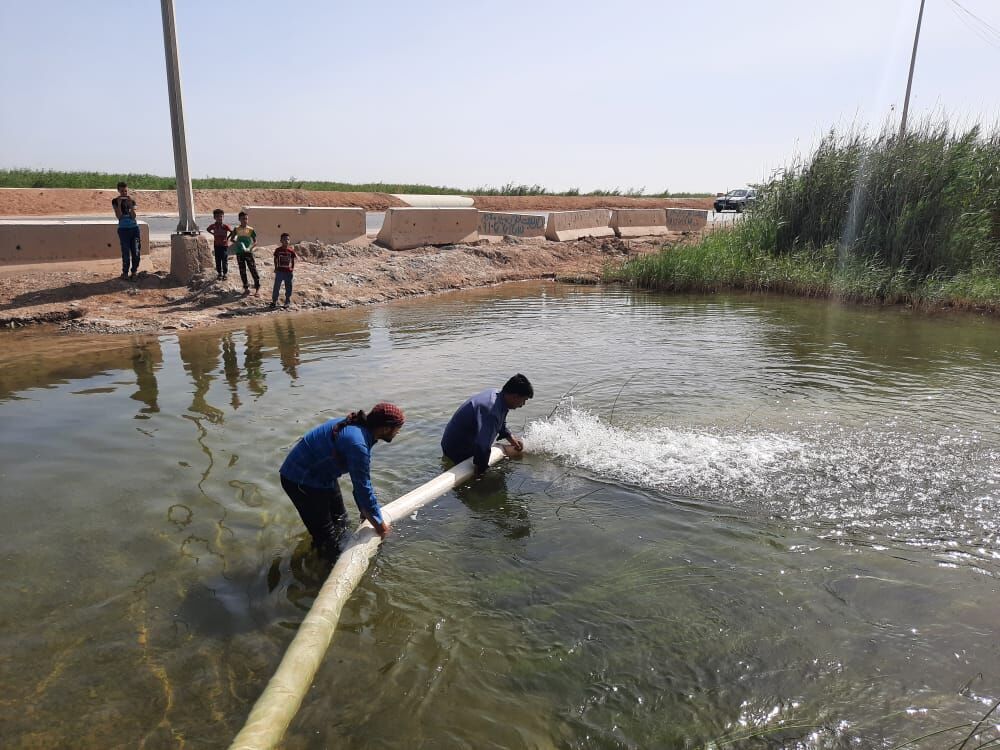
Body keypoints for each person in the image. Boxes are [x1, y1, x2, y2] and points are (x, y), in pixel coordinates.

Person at [279, 403, 405, 559]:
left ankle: (330, 553)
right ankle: (322, 570)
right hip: (300, 480)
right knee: (326, 538)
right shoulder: (357, 443)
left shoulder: (361, 430)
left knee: (341, 520)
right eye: (398, 429)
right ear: (386, 428)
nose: (398, 433)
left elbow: (360, 486)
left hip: (324, 475)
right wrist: (382, 528)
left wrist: (365, 513)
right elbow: (363, 488)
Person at [441, 374, 533, 475]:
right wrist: (480, 475)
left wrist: (510, 437)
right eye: (524, 400)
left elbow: (500, 422)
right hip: (457, 449)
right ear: (515, 396)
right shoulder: (491, 410)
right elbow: (482, 446)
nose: (523, 404)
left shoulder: (496, 395)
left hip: (454, 441)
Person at [111, 181, 141, 280]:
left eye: (126, 191)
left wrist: (131, 206)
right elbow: (119, 217)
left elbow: (133, 216)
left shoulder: (131, 201)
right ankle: (125, 273)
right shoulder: (115, 201)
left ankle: (134, 272)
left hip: (134, 228)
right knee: (125, 252)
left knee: (136, 251)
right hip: (123, 230)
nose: (124, 193)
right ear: (118, 191)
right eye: (122, 191)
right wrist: (119, 205)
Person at [228, 211, 260, 295]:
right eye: (243, 219)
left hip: (248, 252)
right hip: (239, 252)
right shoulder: (236, 229)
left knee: (253, 270)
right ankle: (246, 288)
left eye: (246, 219)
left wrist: (250, 247)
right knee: (242, 270)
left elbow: (255, 241)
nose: (245, 220)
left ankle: (257, 288)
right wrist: (238, 243)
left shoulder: (250, 229)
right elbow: (232, 239)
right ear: (239, 219)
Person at [270, 232, 297, 308]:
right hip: (279, 272)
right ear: (281, 241)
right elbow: (275, 259)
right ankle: (274, 301)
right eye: (284, 239)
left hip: (288, 272)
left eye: (288, 239)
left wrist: (292, 268)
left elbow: (293, 261)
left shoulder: (291, 251)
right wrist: (275, 268)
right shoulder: (278, 250)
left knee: (288, 287)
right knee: (276, 287)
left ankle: (287, 301)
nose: (286, 241)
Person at [204, 208, 232, 280]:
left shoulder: (225, 226)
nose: (220, 218)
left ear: (223, 217)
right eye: (217, 217)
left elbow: (232, 232)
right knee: (218, 260)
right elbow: (208, 229)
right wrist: (213, 234)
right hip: (216, 246)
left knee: (224, 260)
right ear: (214, 218)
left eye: (221, 216)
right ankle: (219, 273)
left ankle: (225, 274)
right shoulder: (213, 226)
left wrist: (227, 238)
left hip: (224, 246)